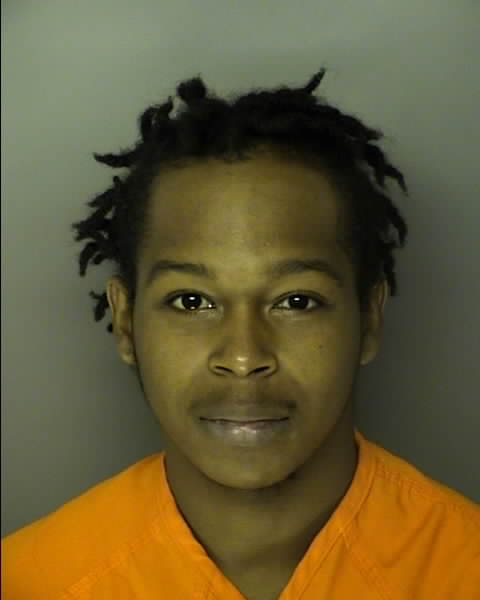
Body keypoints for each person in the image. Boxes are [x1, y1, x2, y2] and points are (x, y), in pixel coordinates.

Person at [2, 67, 479, 600]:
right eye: (191, 301)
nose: (245, 357)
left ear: (369, 318)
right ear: (126, 322)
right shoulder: (27, 582)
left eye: (296, 301)